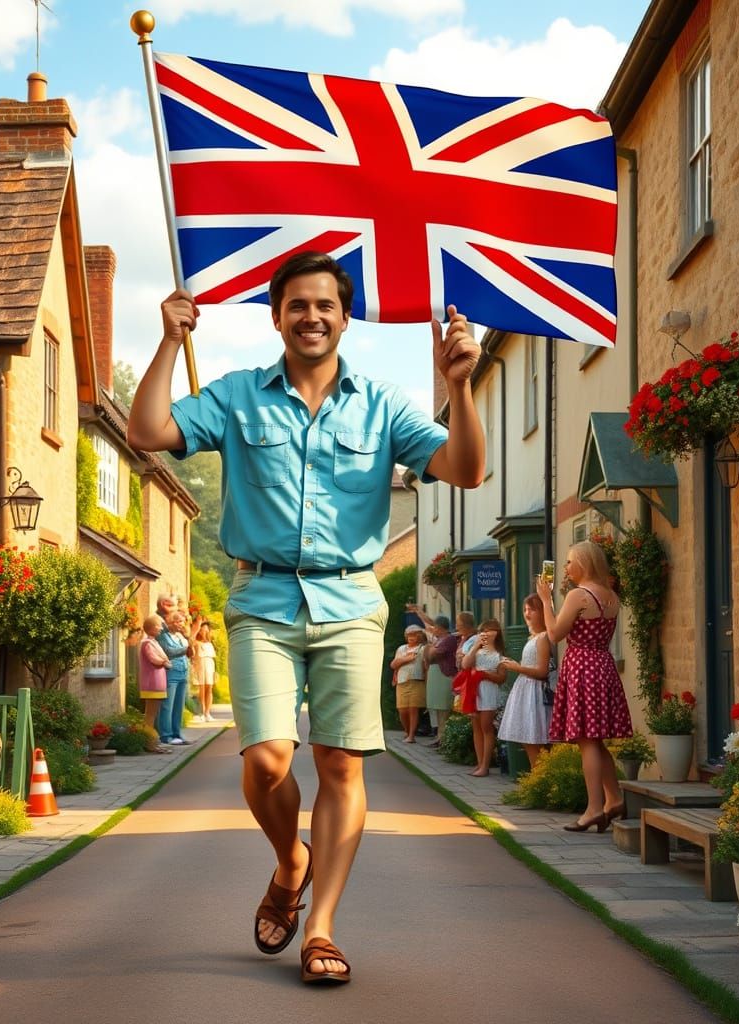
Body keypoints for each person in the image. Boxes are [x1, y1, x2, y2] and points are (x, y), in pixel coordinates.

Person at [127, 250, 483, 984]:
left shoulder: (383, 406)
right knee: (266, 760)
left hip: (352, 600)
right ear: (277, 316)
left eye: (325, 305)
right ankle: (292, 860)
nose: (312, 316)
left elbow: (467, 470)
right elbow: (147, 433)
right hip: (262, 599)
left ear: (345, 319)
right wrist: (168, 338)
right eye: (297, 305)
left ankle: (319, 927)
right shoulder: (237, 398)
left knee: (340, 762)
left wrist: (461, 386)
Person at [537, 540, 632, 832]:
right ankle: (613, 798)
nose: (565, 568)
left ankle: (593, 808)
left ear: (583, 564)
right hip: (603, 665)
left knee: (587, 740)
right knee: (596, 737)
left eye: (569, 562)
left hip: (582, 667)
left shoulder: (579, 596)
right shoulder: (611, 596)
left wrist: (545, 600)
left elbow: (554, 634)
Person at [498, 595, 553, 768]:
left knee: (534, 740)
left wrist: (517, 668)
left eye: (532, 609)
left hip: (534, 692)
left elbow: (542, 671)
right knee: (528, 741)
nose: (527, 613)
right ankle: (537, 780)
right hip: (526, 690)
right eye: (525, 609)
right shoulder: (533, 637)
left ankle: (540, 779)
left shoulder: (543, 638)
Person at [458, 619, 507, 777]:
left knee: (486, 727)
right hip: (474, 692)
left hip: (489, 691)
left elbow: (502, 678)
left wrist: (485, 675)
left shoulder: (499, 654)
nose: (486, 633)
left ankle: (486, 765)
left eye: (491, 630)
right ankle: (479, 763)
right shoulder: (477, 651)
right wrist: (475, 647)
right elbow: (465, 664)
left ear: (497, 633)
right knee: (476, 728)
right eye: (483, 631)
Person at [419, 613, 459, 748]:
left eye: (435, 627)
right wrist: (429, 650)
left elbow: (432, 655)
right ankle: (439, 737)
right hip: (435, 674)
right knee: (437, 707)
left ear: (441, 628)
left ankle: (443, 738)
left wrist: (429, 649)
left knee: (444, 707)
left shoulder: (449, 639)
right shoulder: (438, 640)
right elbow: (428, 656)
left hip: (444, 675)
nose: (433, 630)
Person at [156, 602, 192, 746]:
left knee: (179, 705)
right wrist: (186, 650)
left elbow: (188, 651)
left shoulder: (180, 636)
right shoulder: (163, 637)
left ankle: (177, 733)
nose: (181, 625)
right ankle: (166, 735)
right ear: (171, 622)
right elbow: (168, 651)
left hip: (183, 672)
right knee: (167, 705)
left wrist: (188, 649)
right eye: (179, 622)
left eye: (182, 622)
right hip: (171, 673)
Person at [137, 614, 173, 754]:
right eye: (158, 626)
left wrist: (165, 661)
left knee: (153, 714)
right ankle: (149, 744)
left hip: (158, 683)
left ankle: (152, 742)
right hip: (151, 683)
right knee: (150, 715)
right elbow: (154, 659)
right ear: (151, 628)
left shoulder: (153, 642)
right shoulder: (147, 643)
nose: (160, 628)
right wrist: (165, 662)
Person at [390, 625, 428, 743]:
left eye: (415, 634)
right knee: (402, 710)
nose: (412, 637)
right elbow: (393, 664)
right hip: (401, 681)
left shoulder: (423, 648)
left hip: (417, 681)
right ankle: (407, 732)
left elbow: (426, 667)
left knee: (413, 709)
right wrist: (406, 659)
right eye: (409, 635)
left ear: (420, 636)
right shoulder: (401, 649)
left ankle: (411, 735)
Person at [192, 620, 217, 722]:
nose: (204, 632)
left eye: (206, 630)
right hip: (200, 664)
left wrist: (216, 672)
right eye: (202, 630)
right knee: (201, 689)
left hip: (210, 665)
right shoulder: (196, 643)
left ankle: (207, 712)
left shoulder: (210, 643)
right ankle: (201, 712)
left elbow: (213, 658)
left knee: (209, 688)